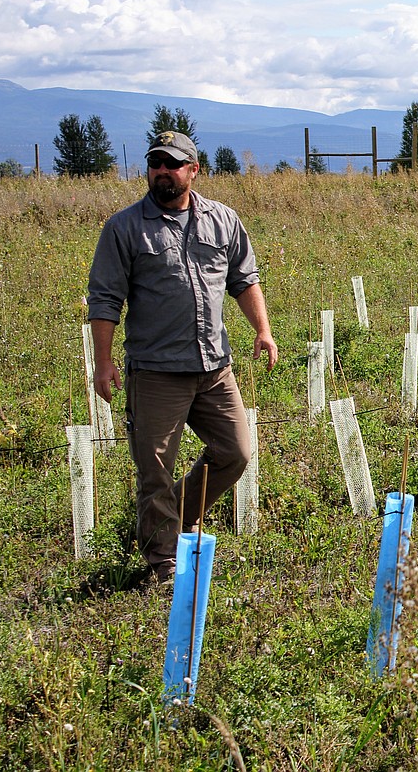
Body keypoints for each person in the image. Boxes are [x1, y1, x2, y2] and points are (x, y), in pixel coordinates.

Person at [87, 131, 278, 584]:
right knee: (154, 468)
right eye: (155, 163)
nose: (162, 171)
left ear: (193, 170)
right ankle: (163, 561)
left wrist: (263, 331)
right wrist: (104, 361)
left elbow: (243, 279)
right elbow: (105, 299)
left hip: (214, 367)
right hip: (155, 373)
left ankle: (174, 512)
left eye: (173, 164)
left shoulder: (223, 221)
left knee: (235, 451)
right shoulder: (125, 228)